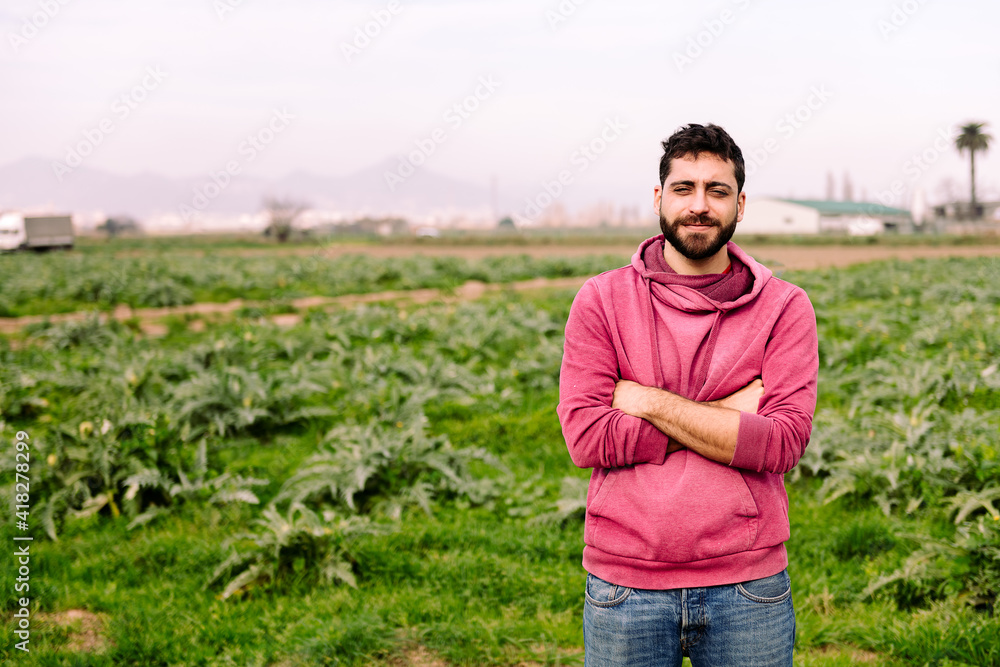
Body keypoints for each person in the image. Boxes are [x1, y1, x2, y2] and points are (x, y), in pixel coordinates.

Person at [557, 123, 818, 666]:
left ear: (739, 205)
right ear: (659, 198)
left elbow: (781, 444)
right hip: (624, 585)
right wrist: (727, 416)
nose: (699, 205)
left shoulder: (785, 307)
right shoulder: (601, 299)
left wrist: (648, 401)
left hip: (748, 586)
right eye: (684, 188)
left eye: (717, 191)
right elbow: (587, 439)